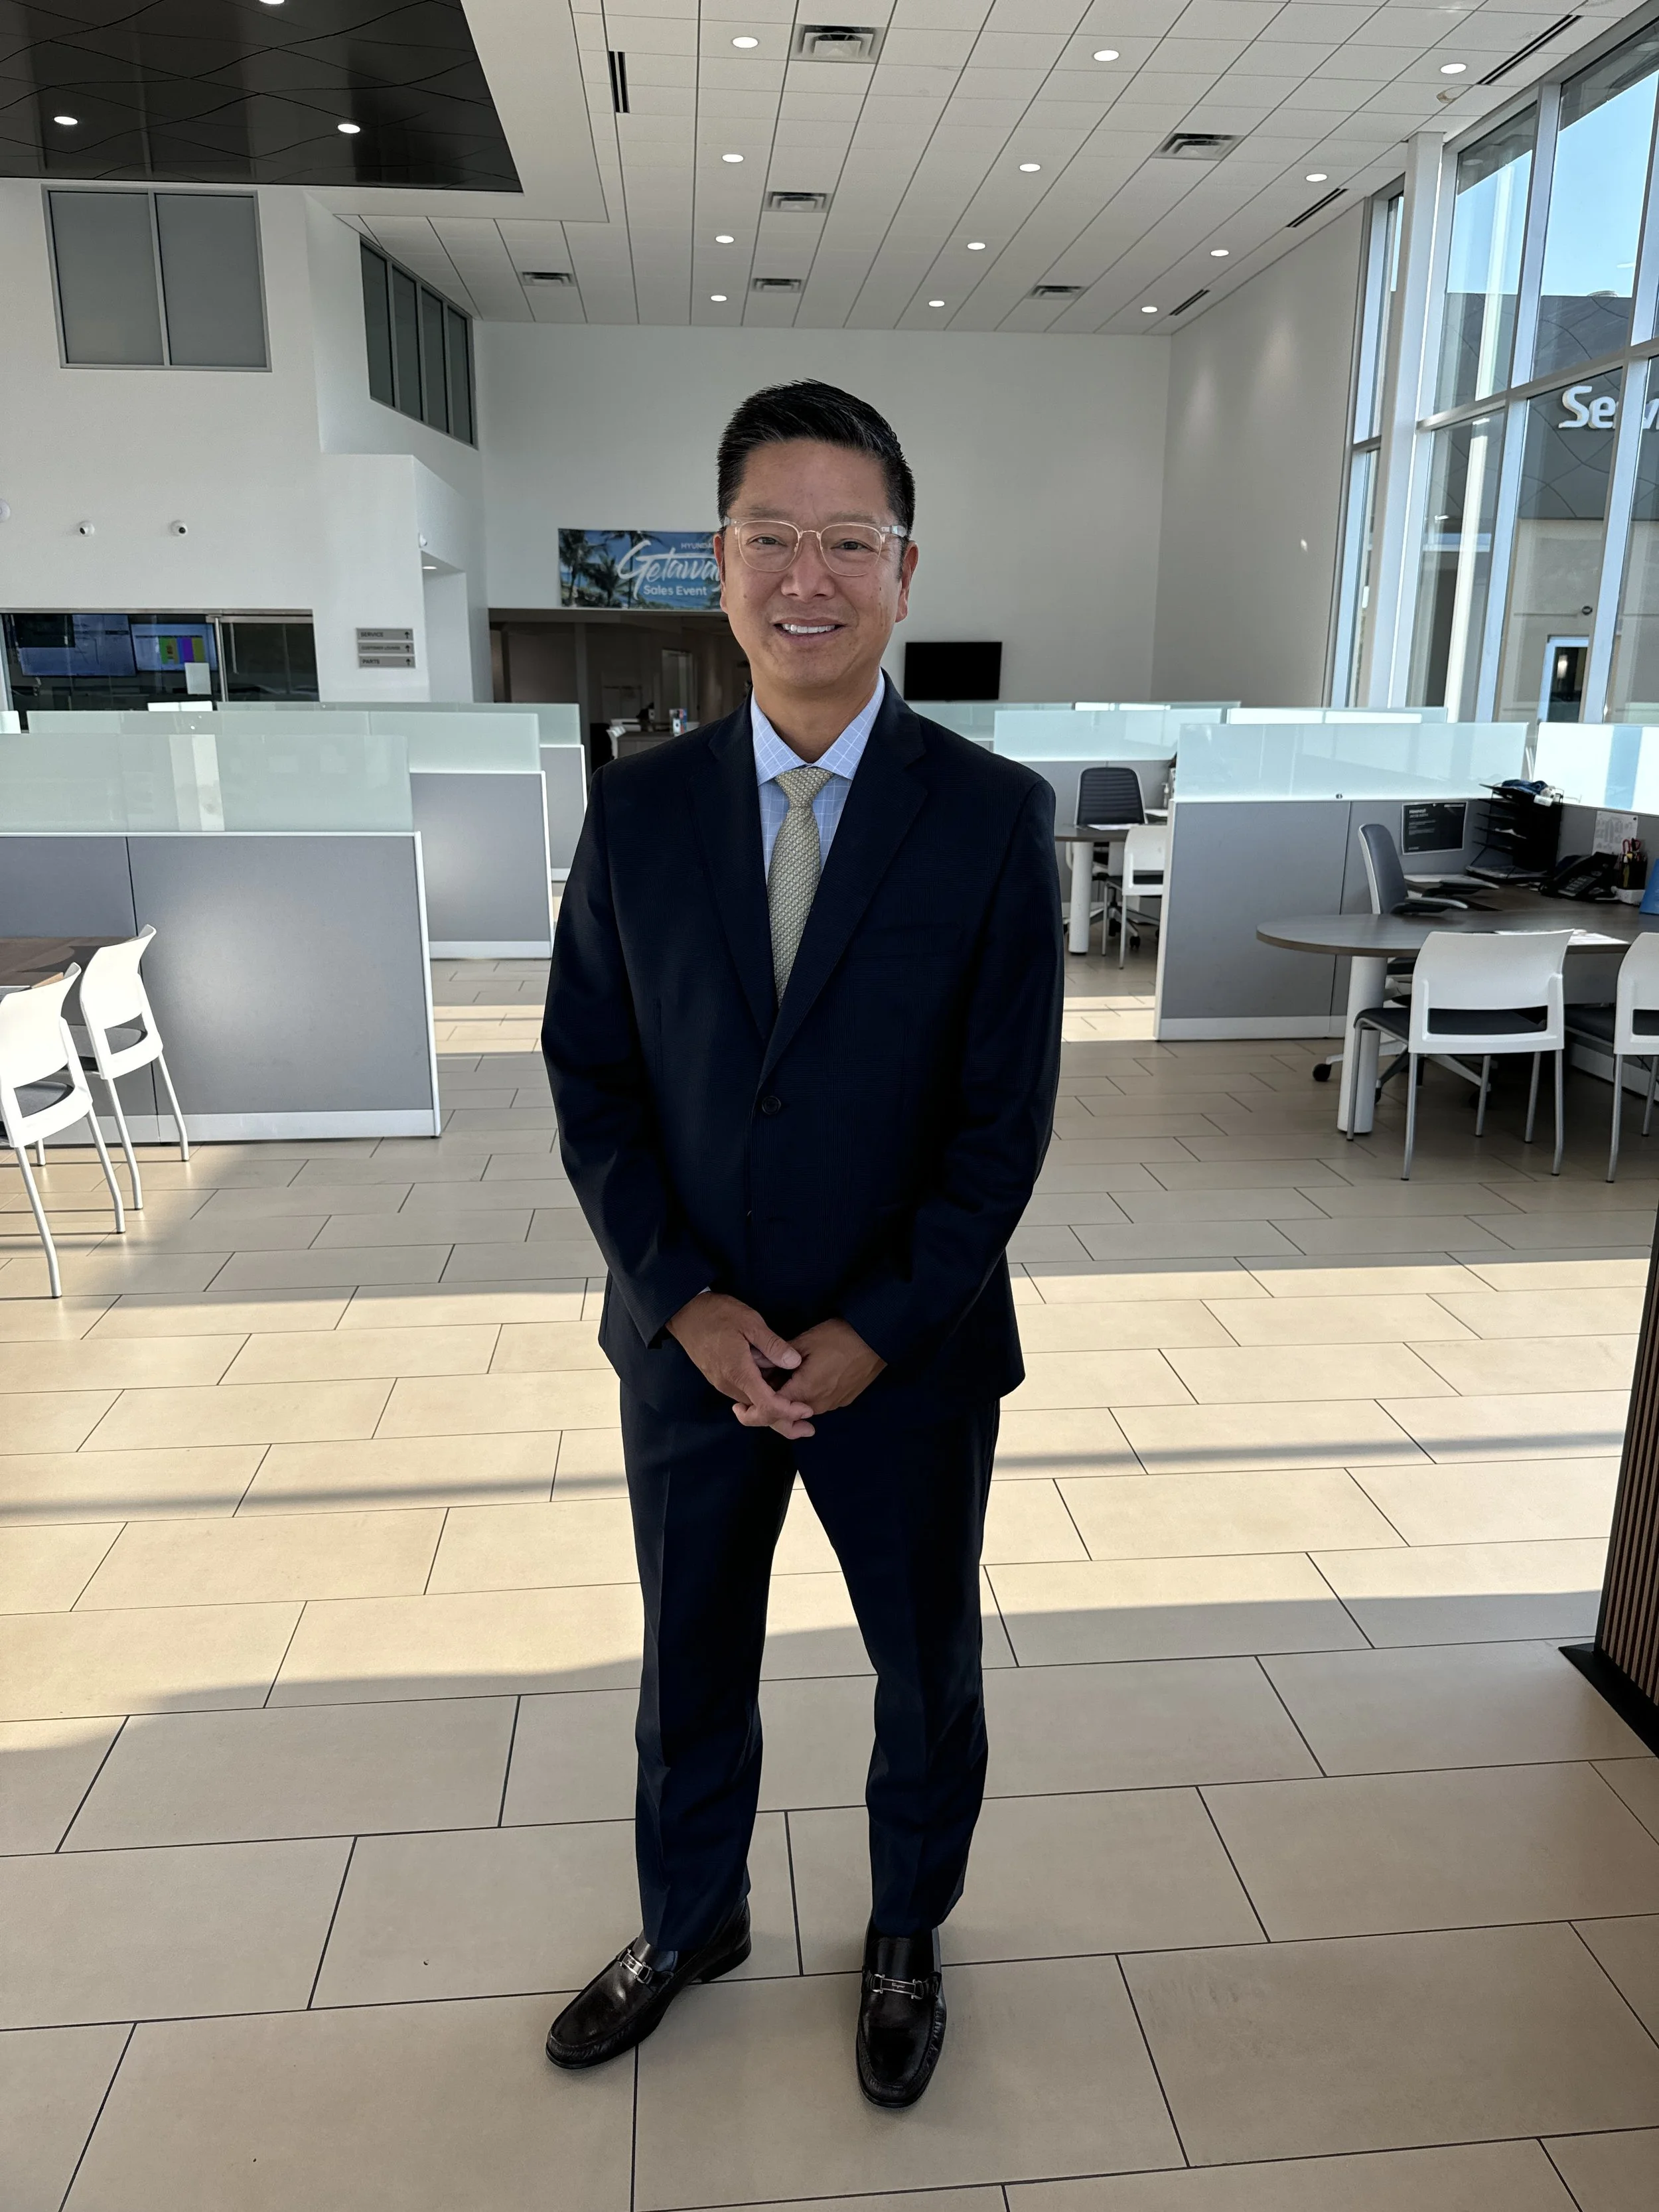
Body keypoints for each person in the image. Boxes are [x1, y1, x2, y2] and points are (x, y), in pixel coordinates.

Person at [540, 380, 1063, 2107]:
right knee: (689, 1658)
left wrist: (875, 1328)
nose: (807, 575)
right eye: (771, 536)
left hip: (907, 1359)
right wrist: (682, 1302)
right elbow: (594, 1077)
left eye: (849, 539)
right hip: (688, 1356)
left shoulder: (989, 819)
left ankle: (905, 1926)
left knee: (923, 1668)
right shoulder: (636, 813)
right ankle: (688, 1919)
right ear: (720, 564)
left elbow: (1001, 1120)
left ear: (905, 572)